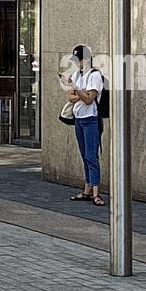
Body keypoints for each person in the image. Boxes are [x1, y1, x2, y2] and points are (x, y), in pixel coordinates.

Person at [61, 44, 106, 207]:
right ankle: (87, 189)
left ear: (86, 59)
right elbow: (70, 97)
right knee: (84, 155)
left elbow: (89, 99)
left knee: (91, 156)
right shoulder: (77, 74)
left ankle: (96, 192)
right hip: (79, 118)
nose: (77, 63)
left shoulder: (94, 75)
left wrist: (77, 90)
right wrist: (80, 92)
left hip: (91, 119)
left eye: (78, 59)